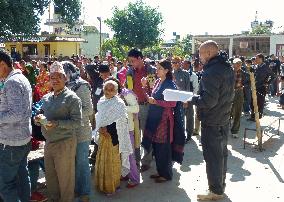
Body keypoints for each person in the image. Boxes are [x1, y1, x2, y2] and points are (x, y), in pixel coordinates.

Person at [190, 41, 235, 200]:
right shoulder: (226, 66)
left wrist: (191, 99)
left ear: (208, 53)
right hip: (223, 118)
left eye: (200, 54)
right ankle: (220, 186)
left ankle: (215, 191)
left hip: (212, 120)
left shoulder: (211, 71)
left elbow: (208, 101)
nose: (199, 57)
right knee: (221, 155)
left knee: (213, 157)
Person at [34, 61, 82, 202]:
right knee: (51, 178)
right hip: (49, 143)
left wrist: (57, 124)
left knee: (65, 179)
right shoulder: (46, 98)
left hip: (65, 142)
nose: (54, 80)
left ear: (65, 78)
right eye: (52, 77)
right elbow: (40, 114)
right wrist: (37, 120)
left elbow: (77, 122)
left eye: (58, 77)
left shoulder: (72, 98)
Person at [142, 59, 185, 183]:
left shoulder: (170, 84)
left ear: (166, 70)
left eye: (160, 68)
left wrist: (156, 102)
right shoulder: (158, 81)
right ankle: (160, 172)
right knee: (156, 146)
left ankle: (166, 174)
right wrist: (144, 87)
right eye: (157, 67)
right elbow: (152, 97)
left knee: (163, 148)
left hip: (164, 120)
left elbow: (172, 103)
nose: (157, 70)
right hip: (156, 118)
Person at [0, 50, 32, 201]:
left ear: (2, 65)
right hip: (21, 140)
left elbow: (16, 114)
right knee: (22, 178)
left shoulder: (12, 82)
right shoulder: (20, 78)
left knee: (5, 184)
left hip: (11, 143)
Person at [94, 80, 133, 195]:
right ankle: (102, 185)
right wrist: (101, 128)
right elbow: (99, 117)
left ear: (116, 91)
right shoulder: (101, 101)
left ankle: (111, 187)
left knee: (112, 163)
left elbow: (121, 122)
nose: (108, 92)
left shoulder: (119, 103)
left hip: (113, 137)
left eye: (111, 90)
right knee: (101, 160)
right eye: (106, 89)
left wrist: (107, 130)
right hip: (102, 136)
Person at [62, 61, 93, 201]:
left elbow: (89, 109)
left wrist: (72, 115)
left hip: (81, 131)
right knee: (71, 163)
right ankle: (75, 189)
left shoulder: (82, 86)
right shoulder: (63, 87)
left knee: (81, 163)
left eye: (63, 73)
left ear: (69, 72)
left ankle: (84, 192)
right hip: (67, 132)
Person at [127, 48, 156, 172]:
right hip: (133, 106)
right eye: (130, 61)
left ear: (140, 58)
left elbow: (153, 89)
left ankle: (147, 161)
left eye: (133, 61)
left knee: (147, 134)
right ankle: (136, 161)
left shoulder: (151, 71)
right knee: (134, 135)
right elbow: (128, 88)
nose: (131, 63)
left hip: (146, 106)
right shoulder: (130, 72)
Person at [248, 53, 275, 121]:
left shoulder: (266, 67)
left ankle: (258, 117)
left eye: (257, 58)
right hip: (254, 87)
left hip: (261, 88)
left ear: (261, 59)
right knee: (252, 102)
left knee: (259, 102)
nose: (255, 59)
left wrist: (267, 83)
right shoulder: (255, 66)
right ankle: (252, 116)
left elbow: (273, 76)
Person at [231, 58, 245, 138]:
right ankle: (224, 129)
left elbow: (247, 82)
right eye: (236, 63)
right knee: (228, 111)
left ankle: (235, 130)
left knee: (238, 112)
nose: (238, 65)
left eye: (239, 64)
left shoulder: (243, 72)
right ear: (233, 64)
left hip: (239, 92)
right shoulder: (229, 72)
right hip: (229, 92)